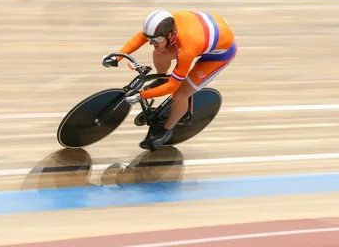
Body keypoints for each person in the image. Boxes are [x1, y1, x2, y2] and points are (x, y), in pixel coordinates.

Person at [102, 10, 238, 151]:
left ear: (170, 34)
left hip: (219, 55)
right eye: (151, 39)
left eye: (155, 40)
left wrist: (141, 95)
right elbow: (140, 37)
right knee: (159, 52)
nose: (150, 43)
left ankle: (166, 130)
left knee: (180, 94)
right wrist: (117, 57)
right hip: (204, 33)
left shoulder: (186, 49)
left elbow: (173, 86)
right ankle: (161, 78)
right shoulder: (166, 23)